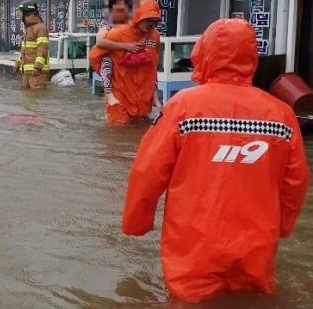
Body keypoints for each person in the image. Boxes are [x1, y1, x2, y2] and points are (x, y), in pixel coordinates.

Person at [121, 18, 310, 304]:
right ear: (252, 56)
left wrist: (137, 222)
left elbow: (148, 170)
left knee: (188, 301)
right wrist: (280, 227)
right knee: (254, 299)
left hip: (193, 244)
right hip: (256, 243)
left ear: (203, 52)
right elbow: (295, 182)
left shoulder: (183, 107)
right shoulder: (281, 114)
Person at [100, 0, 162, 125]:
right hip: (119, 94)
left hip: (142, 97)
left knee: (141, 131)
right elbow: (104, 61)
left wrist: (155, 97)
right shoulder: (116, 33)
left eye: (155, 21)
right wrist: (109, 93)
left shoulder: (154, 36)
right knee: (118, 133)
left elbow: (152, 68)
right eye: (149, 20)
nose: (152, 24)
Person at [89, 0, 143, 106]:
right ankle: (108, 93)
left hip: (128, 64)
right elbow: (99, 41)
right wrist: (125, 46)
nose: (121, 11)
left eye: (124, 7)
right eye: (117, 8)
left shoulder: (131, 24)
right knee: (106, 60)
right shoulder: (107, 23)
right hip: (112, 60)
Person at [13, 0, 50, 89]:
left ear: (28, 14)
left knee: (37, 98)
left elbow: (42, 49)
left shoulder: (40, 28)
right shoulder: (28, 29)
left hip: (37, 72)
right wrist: (18, 63)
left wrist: (37, 67)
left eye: (22, 14)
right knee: (26, 98)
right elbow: (25, 51)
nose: (21, 17)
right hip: (26, 72)